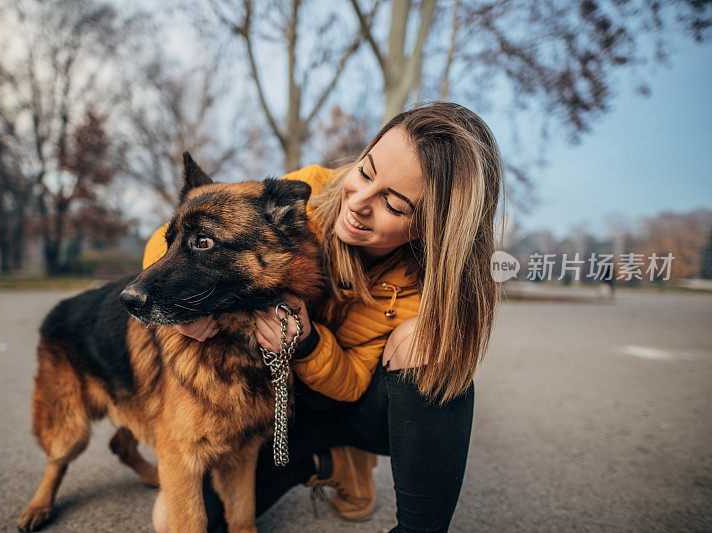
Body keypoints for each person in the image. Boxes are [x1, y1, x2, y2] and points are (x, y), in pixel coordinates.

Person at [145, 101, 504, 533]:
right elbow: (182, 229)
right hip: (281, 403)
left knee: (425, 341)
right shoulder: (310, 192)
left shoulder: (424, 288)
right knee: (171, 521)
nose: (359, 202)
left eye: (394, 203)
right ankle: (325, 463)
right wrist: (183, 309)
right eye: (366, 171)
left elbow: (351, 382)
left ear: (435, 226)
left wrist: (308, 342)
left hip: (357, 406)